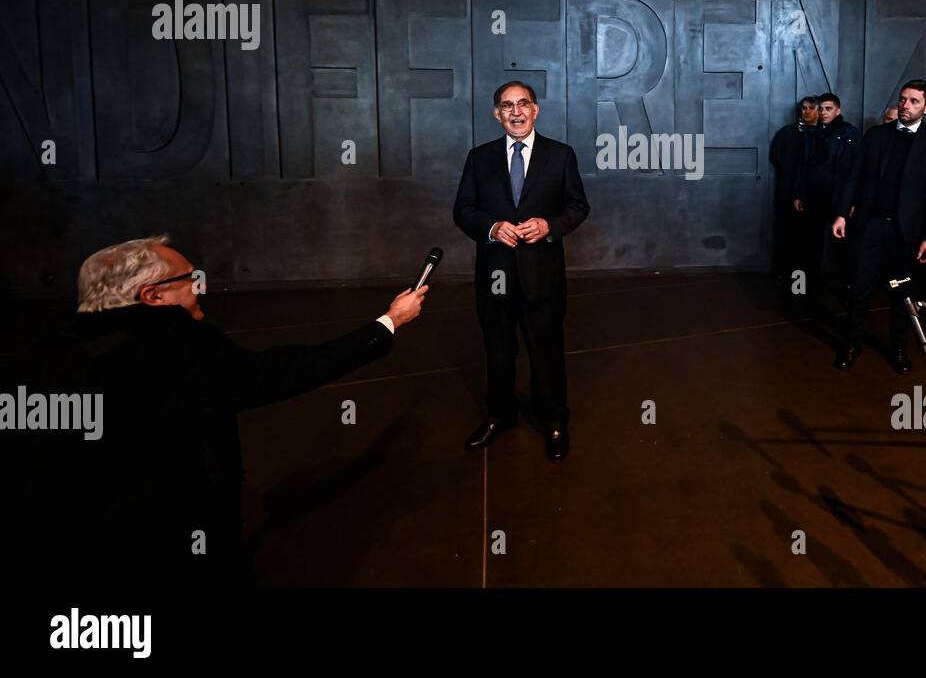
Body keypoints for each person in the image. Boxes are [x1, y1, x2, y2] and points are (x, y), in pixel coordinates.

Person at [3, 234, 426, 585]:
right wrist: (389, 322)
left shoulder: (44, 354)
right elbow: (292, 371)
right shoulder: (177, 350)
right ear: (152, 295)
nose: (201, 285)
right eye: (191, 279)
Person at [453, 81, 590, 462]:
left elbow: (578, 207)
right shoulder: (479, 158)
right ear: (497, 114)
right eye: (507, 106)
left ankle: (554, 420)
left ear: (536, 109)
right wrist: (492, 229)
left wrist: (549, 226)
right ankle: (501, 415)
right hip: (494, 277)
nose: (516, 112)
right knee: (497, 351)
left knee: (546, 353)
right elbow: (462, 211)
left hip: (541, 276)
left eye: (523, 104)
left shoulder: (560, 156)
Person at [830, 80, 926, 374]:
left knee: (900, 292)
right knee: (859, 288)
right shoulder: (876, 135)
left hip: (904, 234)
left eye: (914, 102)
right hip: (870, 226)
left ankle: (897, 348)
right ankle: (853, 343)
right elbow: (854, 176)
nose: (906, 106)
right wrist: (842, 213)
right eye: (903, 100)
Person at [794, 93, 860, 297]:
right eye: (821, 108)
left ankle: (849, 286)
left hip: (838, 197)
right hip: (814, 196)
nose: (823, 112)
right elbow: (803, 165)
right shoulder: (812, 132)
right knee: (811, 241)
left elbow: (855, 171)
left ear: (838, 110)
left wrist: (851, 201)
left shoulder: (849, 132)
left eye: (828, 108)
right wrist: (799, 194)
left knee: (841, 244)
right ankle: (810, 284)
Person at [769, 97, 818, 283]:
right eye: (803, 108)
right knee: (786, 234)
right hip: (787, 193)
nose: (806, 112)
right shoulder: (787, 133)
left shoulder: (822, 134)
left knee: (808, 237)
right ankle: (785, 273)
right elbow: (776, 156)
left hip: (812, 195)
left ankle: (806, 275)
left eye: (811, 108)